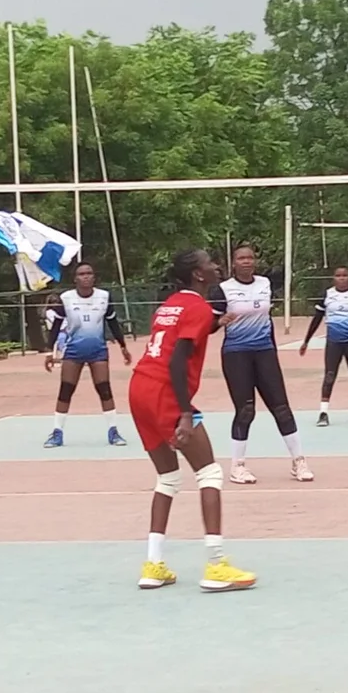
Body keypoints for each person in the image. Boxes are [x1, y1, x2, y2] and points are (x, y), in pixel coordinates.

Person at [128, 247, 256, 593]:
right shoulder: (198, 307)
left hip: (139, 388)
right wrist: (185, 412)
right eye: (209, 263)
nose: (216, 266)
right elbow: (177, 359)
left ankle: (153, 565)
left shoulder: (170, 305)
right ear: (199, 274)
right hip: (165, 392)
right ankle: (216, 565)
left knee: (168, 477)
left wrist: (215, 324)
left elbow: (180, 337)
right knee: (209, 473)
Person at [218, 244, 313, 485]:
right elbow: (209, 323)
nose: (246, 261)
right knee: (245, 410)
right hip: (236, 354)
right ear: (234, 263)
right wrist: (219, 321)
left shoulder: (264, 284)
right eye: (241, 258)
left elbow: (267, 320)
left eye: (250, 257)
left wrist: (272, 350)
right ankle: (238, 466)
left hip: (265, 352)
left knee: (281, 407)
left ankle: (299, 461)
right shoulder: (223, 289)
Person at [42, 262, 132, 448]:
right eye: (81, 274)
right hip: (73, 351)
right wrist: (49, 351)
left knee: (104, 389)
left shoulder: (104, 297)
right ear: (75, 278)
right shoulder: (66, 298)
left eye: (89, 273)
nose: (86, 277)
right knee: (66, 390)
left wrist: (123, 346)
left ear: (94, 277)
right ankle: (57, 432)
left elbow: (113, 323)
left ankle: (113, 431)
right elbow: (56, 327)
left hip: (98, 351)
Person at [299, 265, 348, 427]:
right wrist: (306, 341)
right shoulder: (328, 295)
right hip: (334, 342)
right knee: (329, 376)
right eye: (338, 276)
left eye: (344, 275)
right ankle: (323, 413)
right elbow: (317, 319)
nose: (341, 278)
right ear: (334, 278)